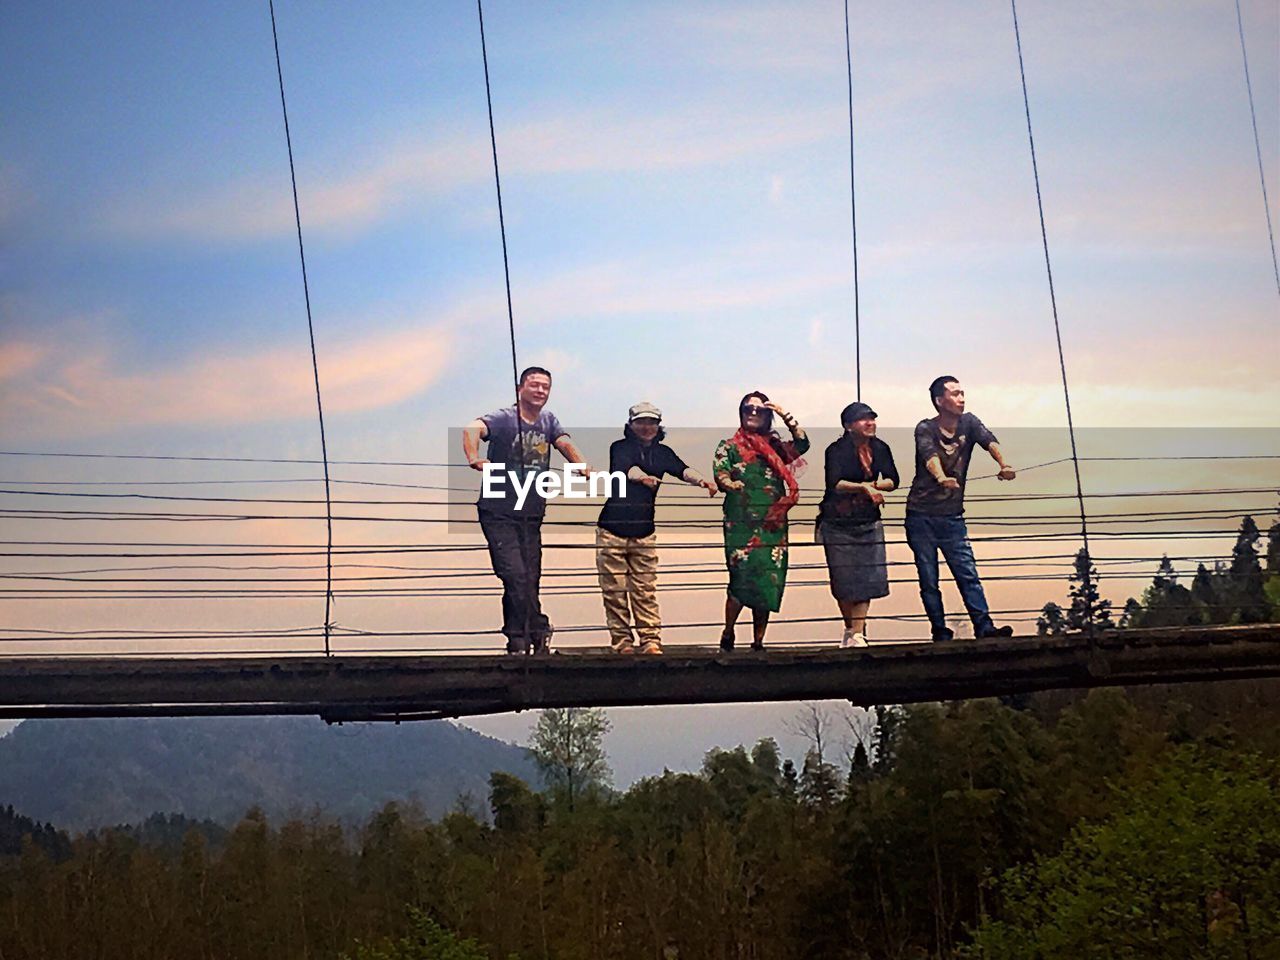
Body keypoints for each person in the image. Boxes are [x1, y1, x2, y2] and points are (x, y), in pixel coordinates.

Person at [462, 366, 592, 654]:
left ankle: (526, 638)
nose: (540, 391)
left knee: (530, 576)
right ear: (520, 388)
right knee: (515, 574)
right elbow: (473, 428)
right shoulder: (504, 418)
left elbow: (563, 442)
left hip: (531, 512)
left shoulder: (548, 420)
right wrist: (474, 458)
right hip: (499, 510)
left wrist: (580, 464)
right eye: (534, 385)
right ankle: (530, 632)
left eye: (546, 387)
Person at [596, 402, 717, 655]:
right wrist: (642, 477)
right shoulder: (619, 447)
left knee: (645, 589)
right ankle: (622, 643)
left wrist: (702, 481)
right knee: (615, 590)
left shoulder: (663, 452)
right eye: (641, 422)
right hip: (612, 528)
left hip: (644, 529)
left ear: (658, 426)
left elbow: (682, 469)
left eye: (652, 422)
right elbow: (625, 468)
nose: (647, 427)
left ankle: (651, 640)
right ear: (630, 425)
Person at [905, 376, 1017, 642]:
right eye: (955, 394)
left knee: (967, 571)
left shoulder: (969, 422)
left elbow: (989, 441)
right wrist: (941, 477)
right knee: (929, 576)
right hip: (921, 514)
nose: (961, 398)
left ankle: (984, 626)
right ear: (939, 401)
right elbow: (929, 455)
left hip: (952, 515)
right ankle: (939, 630)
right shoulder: (925, 428)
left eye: (962, 393)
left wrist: (1004, 464)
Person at [714, 391, 809, 651]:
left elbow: (802, 445)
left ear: (767, 415)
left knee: (767, 580)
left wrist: (785, 415)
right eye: (748, 409)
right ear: (741, 413)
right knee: (740, 578)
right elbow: (720, 472)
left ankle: (758, 641)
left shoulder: (776, 447)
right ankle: (728, 631)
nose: (753, 413)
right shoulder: (728, 446)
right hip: (741, 523)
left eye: (759, 410)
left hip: (772, 523)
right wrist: (728, 483)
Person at [818, 401, 898, 648]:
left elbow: (893, 480)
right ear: (848, 425)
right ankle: (851, 629)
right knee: (843, 579)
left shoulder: (881, 447)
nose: (870, 423)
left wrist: (873, 487)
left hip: (867, 520)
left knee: (866, 577)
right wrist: (864, 487)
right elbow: (835, 483)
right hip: (838, 521)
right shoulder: (836, 450)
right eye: (864, 419)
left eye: (872, 418)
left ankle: (857, 632)